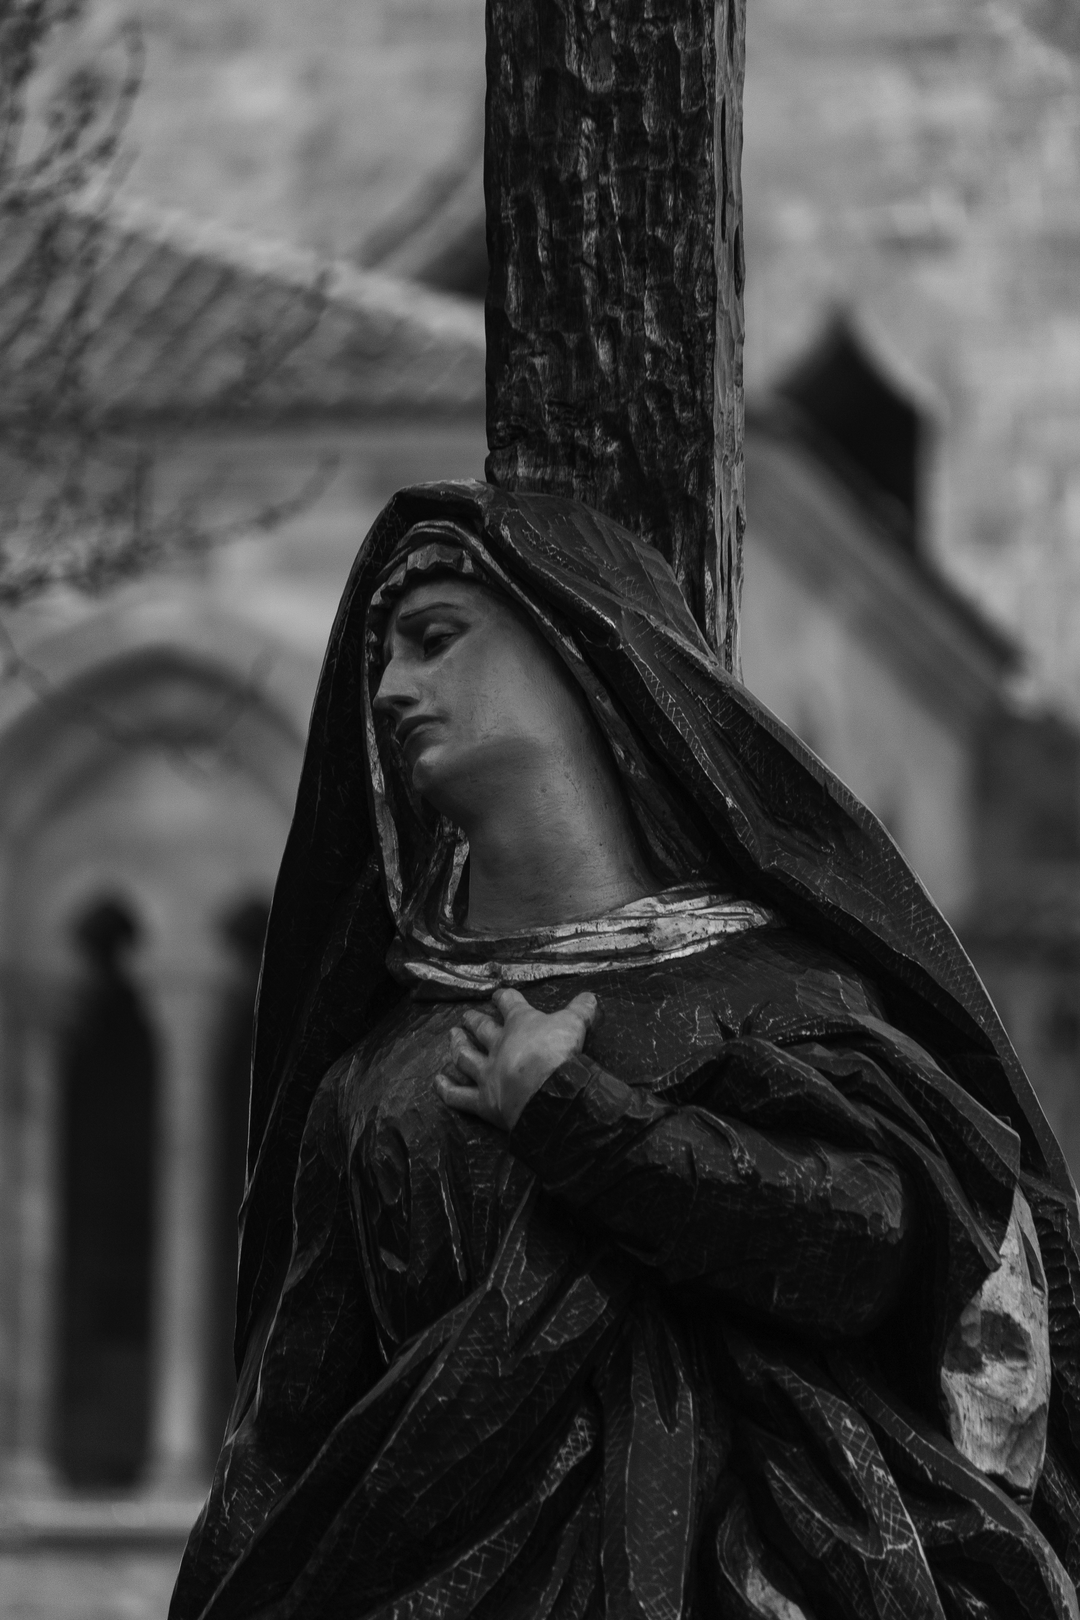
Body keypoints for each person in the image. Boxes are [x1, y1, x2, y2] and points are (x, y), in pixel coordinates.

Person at [171, 482, 1080, 1620]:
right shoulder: (372, 1078)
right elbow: (290, 1433)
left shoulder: (776, 993)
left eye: (437, 641)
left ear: (575, 646)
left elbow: (878, 1248)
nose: (396, 690)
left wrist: (587, 1126)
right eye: (381, 664)